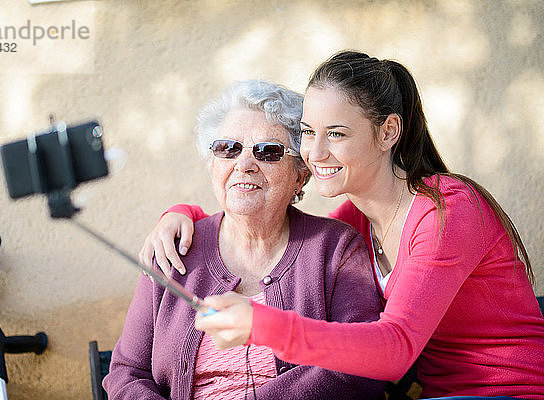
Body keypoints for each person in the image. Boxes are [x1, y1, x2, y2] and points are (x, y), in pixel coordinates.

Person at [140, 51, 544, 399]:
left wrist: (262, 324)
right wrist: (183, 213)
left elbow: (394, 349)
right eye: (308, 133)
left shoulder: (447, 210)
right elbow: (269, 220)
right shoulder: (356, 222)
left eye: (336, 133)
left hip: (511, 392)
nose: (315, 153)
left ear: (388, 132)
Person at [103, 79, 386, 400]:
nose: (244, 164)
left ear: (300, 175)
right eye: (228, 148)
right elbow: (126, 373)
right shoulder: (172, 249)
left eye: (268, 152)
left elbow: (359, 368)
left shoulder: (336, 248)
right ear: (213, 164)